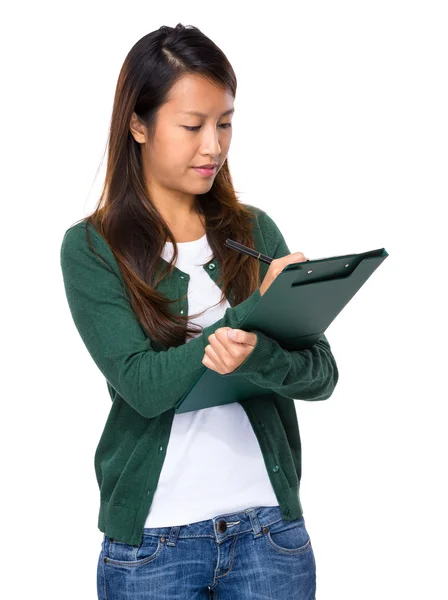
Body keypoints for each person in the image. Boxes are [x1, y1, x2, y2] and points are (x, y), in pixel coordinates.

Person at [60, 23, 339, 600]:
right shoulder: (91, 248)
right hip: (152, 547)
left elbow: (321, 374)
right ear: (138, 124)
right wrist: (249, 317)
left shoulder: (253, 230)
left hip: (270, 536)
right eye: (192, 126)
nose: (213, 146)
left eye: (225, 123)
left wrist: (259, 351)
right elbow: (143, 385)